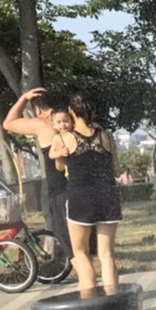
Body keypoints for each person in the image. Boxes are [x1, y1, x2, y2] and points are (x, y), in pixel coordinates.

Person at [48, 93, 122, 296]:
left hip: (80, 197)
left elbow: (60, 165)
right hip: (108, 195)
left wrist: (61, 156)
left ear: (71, 112)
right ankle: (114, 304)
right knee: (107, 254)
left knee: (81, 253)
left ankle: (91, 304)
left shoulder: (64, 137)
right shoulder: (106, 135)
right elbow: (116, 169)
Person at [2, 87, 71, 254]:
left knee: (65, 233)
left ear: (38, 109)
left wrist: (24, 98)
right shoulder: (71, 121)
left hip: (59, 185)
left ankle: (81, 270)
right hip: (81, 180)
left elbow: (8, 123)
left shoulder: (42, 125)